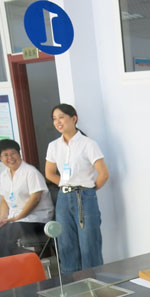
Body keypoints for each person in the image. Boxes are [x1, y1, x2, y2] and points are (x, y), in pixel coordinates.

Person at [45, 104, 108, 273]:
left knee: (89, 244)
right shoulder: (53, 146)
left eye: (61, 117)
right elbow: (49, 173)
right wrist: (67, 183)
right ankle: (71, 284)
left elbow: (103, 174)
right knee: (66, 244)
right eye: (54, 119)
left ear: (74, 118)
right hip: (63, 197)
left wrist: (88, 190)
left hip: (85, 196)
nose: (58, 122)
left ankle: (95, 282)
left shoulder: (88, 144)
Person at [0, 139, 54, 257]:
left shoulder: (31, 172)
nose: (10, 158)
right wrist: (3, 219)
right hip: (15, 221)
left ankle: (23, 262)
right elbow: (4, 201)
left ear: (19, 154)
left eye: (13, 153)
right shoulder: (3, 176)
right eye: (5, 155)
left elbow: (35, 199)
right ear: (1, 158)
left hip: (36, 220)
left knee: (9, 233)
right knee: (5, 231)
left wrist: (18, 217)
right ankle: (12, 264)